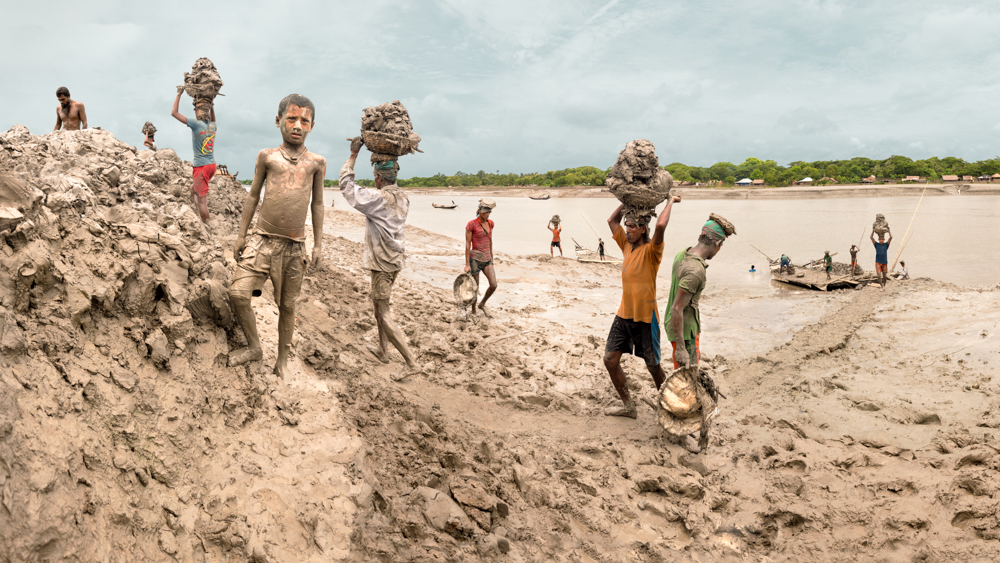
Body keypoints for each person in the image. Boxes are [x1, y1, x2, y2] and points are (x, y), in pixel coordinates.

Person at [228, 94, 325, 379]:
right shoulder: (267, 157)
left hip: (295, 247)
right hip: (262, 240)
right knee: (238, 293)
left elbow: (317, 204)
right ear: (278, 120)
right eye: (291, 119)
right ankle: (254, 346)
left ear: (312, 125)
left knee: (287, 305)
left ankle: (282, 360)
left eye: (304, 121)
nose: (297, 126)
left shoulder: (316, 163)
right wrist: (241, 235)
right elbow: (253, 195)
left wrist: (319, 244)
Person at [341, 139, 418, 377]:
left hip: (383, 263)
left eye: (375, 175)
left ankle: (412, 363)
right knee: (379, 307)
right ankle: (383, 351)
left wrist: (353, 154)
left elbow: (346, 186)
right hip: (395, 260)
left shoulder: (378, 199)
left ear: (378, 177)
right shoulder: (403, 197)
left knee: (383, 313)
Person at [602, 196, 681, 419]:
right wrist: (626, 202)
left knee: (654, 367)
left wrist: (670, 202)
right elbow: (611, 220)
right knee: (610, 360)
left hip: (647, 318)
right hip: (623, 315)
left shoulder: (651, 252)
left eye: (632, 226)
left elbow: (662, 225)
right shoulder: (626, 245)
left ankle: (671, 408)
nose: (627, 230)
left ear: (644, 229)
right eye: (626, 225)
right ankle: (629, 406)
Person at [664, 215, 734, 451]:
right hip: (683, 330)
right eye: (721, 245)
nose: (720, 249)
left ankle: (679, 426)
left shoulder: (683, 254)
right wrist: (683, 348)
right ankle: (678, 432)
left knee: (686, 378)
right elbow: (677, 307)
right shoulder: (696, 271)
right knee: (687, 383)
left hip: (683, 328)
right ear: (717, 244)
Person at [171, 86, 217, 223]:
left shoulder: (196, 124)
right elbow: (213, 118)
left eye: (195, 110)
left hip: (201, 167)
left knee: (203, 200)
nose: (194, 112)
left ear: (198, 111)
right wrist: (211, 103)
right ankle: (199, 214)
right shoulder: (213, 126)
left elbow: (174, 113)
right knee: (193, 190)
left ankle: (206, 225)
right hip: (212, 166)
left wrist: (179, 94)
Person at [465, 199, 498, 318]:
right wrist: (467, 264)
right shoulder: (471, 224)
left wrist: (492, 258)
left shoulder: (491, 223)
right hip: (475, 259)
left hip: (487, 259)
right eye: (485, 212)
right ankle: (473, 311)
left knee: (493, 285)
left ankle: (482, 304)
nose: (487, 214)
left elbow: (490, 240)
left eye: (489, 212)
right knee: (475, 287)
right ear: (479, 211)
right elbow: (468, 244)